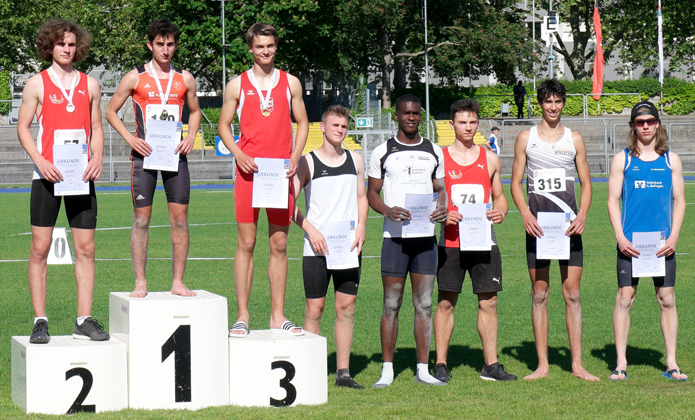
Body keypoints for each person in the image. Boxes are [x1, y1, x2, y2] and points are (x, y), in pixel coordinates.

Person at [17, 19, 109, 343]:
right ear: (50, 47)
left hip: (80, 175)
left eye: (71, 44)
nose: (67, 49)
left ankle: (83, 319)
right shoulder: (36, 84)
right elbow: (23, 128)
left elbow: (97, 129)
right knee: (40, 248)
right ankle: (40, 319)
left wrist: (96, 158)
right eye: (60, 44)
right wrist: (40, 161)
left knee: (86, 248)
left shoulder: (91, 85)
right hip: (47, 176)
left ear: (78, 47)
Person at [218, 23, 309, 337]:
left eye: (270, 46)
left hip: (279, 173)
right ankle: (242, 315)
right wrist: (237, 154)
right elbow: (224, 126)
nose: (265, 51)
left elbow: (303, 122)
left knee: (280, 244)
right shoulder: (237, 85)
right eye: (260, 47)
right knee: (246, 242)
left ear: (275, 46)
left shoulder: (290, 83)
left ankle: (277, 315)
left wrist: (296, 156)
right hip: (249, 174)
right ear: (251, 49)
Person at [510, 79, 598, 381]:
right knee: (540, 293)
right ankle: (543, 365)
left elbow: (586, 184)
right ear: (540, 103)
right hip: (538, 229)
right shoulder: (526, 138)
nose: (553, 106)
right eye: (548, 101)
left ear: (564, 103)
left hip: (569, 228)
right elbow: (515, 183)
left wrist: (583, 214)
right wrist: (524, 214)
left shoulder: (574, 139)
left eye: (558, 101)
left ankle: (577, 365)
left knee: (572, 294)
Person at [107, 19, 201, 298]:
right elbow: (111, 111)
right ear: (150, 45)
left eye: (170, 44)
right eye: (160, 44)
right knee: (141, 221)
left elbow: (194, 111)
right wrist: (131, 139)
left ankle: (178, 282)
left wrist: (191, 136)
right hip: (143, 157)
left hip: (174, 155)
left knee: (180, 220)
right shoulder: (135, 77)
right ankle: (140, 282)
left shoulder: (185, 78)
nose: (165, 49)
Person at [368, 94, 448, 387]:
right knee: (391, 303)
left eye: (416, 113)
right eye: (406, 113)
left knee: (424, 304)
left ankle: (423, 369)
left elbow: (440, 187)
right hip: (395, 240)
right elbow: (372, 193)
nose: (411, 118)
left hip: (425, 239)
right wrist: (388, 210)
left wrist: (442, 205)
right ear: (397, 116)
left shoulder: (433, 150)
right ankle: (387, 369)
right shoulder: (382, 152)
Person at [433, 99, 516, 382]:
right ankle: (441, 364)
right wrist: (443, 215)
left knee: (489, 302)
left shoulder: (489, 157)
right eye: (462, 122)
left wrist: (501, 211)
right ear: (451, 124)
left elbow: (500, 196)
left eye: (472, 122)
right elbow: (431, 199)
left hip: (483, 241)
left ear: (477, 123)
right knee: (446, 302)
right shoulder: (440, 158)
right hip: (451, 242)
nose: (468, 127)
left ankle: (491, 365)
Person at [606, 101, 687, 381]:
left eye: (650, 121)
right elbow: (612, 201)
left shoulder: (671, 160)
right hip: (631, 245)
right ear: (632, 125)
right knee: (625, 299)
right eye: (640, 122)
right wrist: (619, 236)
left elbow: (680, 201)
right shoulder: (623, 160)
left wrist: (674, 236)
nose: (645, 126)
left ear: (657, 124)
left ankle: (672, 363)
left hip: (663, 244)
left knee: (667, 299)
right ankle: (620, 363)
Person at [292, 105, 368, 389]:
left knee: (346, 307)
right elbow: (289, 205)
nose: (340, 130)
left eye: (344, 126)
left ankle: (343, 373)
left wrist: (362, 225)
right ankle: (312, 370)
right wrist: (310, 229)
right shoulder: (307, 162)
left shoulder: (356, 160)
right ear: (322, 127)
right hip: (317, 248)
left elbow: (362, 197)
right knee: (314, 309)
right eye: (335, 125)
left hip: (347, 246)